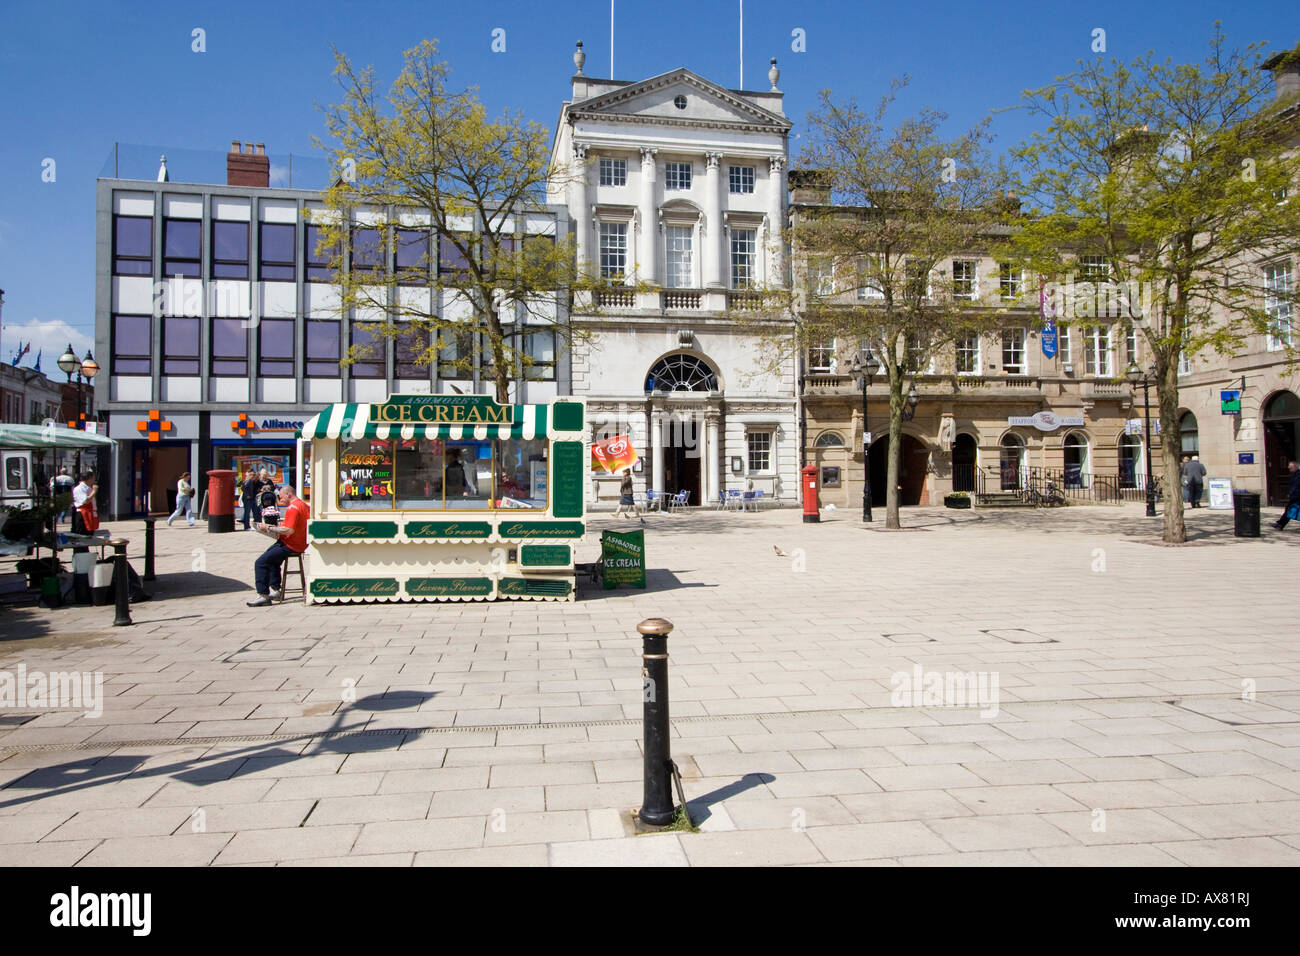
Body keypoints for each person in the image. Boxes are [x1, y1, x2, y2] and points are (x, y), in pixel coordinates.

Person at [247, 484, 309, 607]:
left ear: (288, 495)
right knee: (272, 560)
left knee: (261, 562)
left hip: (290, 544)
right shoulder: (304, 505)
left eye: (281, 497)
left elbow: (289, 530)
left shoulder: (293, 508)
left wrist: (269, 528)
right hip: (299, 543)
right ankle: (276, 589)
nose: (280, 501)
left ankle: (263, 595)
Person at [1274, 461, 1300, 530]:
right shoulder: (1295, 474)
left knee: (1289, 509)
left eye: (1290, 467)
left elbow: (1296, 486)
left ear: (1295, 467)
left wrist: (1292, 494)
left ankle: (1280, 524)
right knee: (1289, 509)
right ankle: (1280, 524)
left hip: (1297, 496)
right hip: (1296, 496)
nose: (1288, 468)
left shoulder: (1298, 475)